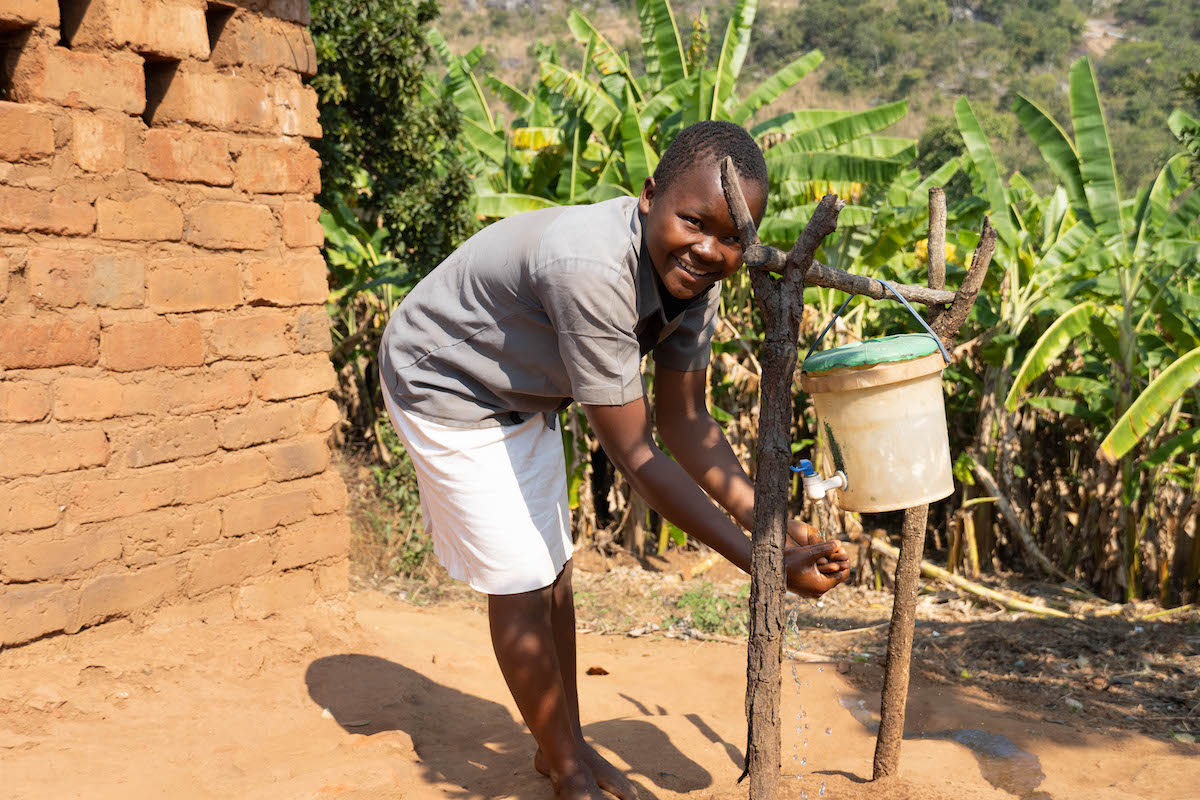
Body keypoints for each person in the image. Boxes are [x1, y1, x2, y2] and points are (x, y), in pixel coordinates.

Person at [378, 120, 851, 800]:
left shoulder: (697, 273)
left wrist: (771, 524)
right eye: (693, 221)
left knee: (554, 574)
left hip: (526, 389)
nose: (710, 249)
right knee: (519, 581)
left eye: (731, 236)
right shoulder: (591, 270)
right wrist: (764, 563)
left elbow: (688, 423)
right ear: (648, 195)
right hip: (446, 381)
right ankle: (569, 770)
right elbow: (636, 454)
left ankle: (558, 745)